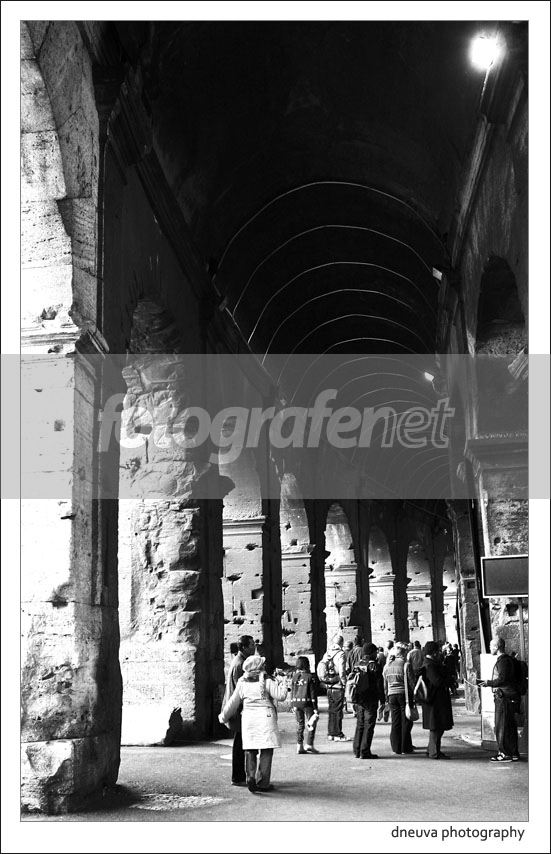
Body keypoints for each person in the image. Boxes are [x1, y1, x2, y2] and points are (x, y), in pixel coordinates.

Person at [219, 655, 288, 792]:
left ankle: (250, 777)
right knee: (266, 749)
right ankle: (263, 782)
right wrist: (283, 683)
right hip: (266, 717)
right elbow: (281, 696)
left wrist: (223, 717)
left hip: (249, 719)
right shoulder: (266, 681)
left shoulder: (242, 682)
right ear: (259, 667)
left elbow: (233, 703)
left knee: (250, 749)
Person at [479, 636, 521, 762]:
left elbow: (502, 679)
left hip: (504, 697)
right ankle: (513, 753)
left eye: (491, 645)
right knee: (509, 726)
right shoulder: (507, 660)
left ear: (497, 647)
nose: (489, 648)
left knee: (501, 726)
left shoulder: (503, 661)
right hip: (508, 697)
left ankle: (504, 753)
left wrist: (488, 683)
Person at [221, 634, 255, 786]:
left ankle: (240, 776)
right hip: (239, 710)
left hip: (238, 710)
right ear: (244, 647)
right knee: (240, 743)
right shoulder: (240, 664)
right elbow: (240, 691)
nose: (255, 647)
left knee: (240, 742)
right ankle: (238, 776)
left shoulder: (241, 661)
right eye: (252, 645)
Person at [420, 641, 454, 760]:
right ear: (434, 653)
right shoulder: (430, 665)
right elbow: (437, 681)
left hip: (435, 700)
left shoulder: (430, 663)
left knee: (438, 726)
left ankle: (431, 749)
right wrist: (449, 680)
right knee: (436, 726)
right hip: (435, 700)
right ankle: (434, 752)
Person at [352, 643, 385, 759]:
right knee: (369, 725)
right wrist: (382, 700)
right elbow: (379, 685)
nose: (376, 654)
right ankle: (365, 751)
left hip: (359, 698)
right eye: (375, 652)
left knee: (360, 724)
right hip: (371, 698)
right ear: (372, 653)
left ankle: (357, 750)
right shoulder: (375, 666)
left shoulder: (358, 664)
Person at [383, 641, 414, 754]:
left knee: (395, 721)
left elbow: (385, 683)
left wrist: (386, 697)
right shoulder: (406, 665)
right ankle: (405, 747)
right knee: (406, 721)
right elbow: (411, 682)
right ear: (403, 653)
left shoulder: (387, 666)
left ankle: (396, 747)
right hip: (404, 695)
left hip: (391, 695)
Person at [290, 656, 319, 754]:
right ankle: (309, 744)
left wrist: (292, 704)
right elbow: (312, 693)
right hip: (307, 703)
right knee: (312, 722)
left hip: (296, 703)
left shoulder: (294, 677)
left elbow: (292, 691)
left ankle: (299, 745)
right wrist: (315, 707)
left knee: (300, 724)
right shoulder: (310, 677)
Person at [324, 633, 350, 742]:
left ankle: (331, 733)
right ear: (341, 643)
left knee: (331, 710)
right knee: (338, 711)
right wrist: (344, 683)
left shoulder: (327, 653)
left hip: (329, 684)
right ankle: (338, 734)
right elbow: (342, 671)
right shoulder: (341, 654)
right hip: (338, 685)